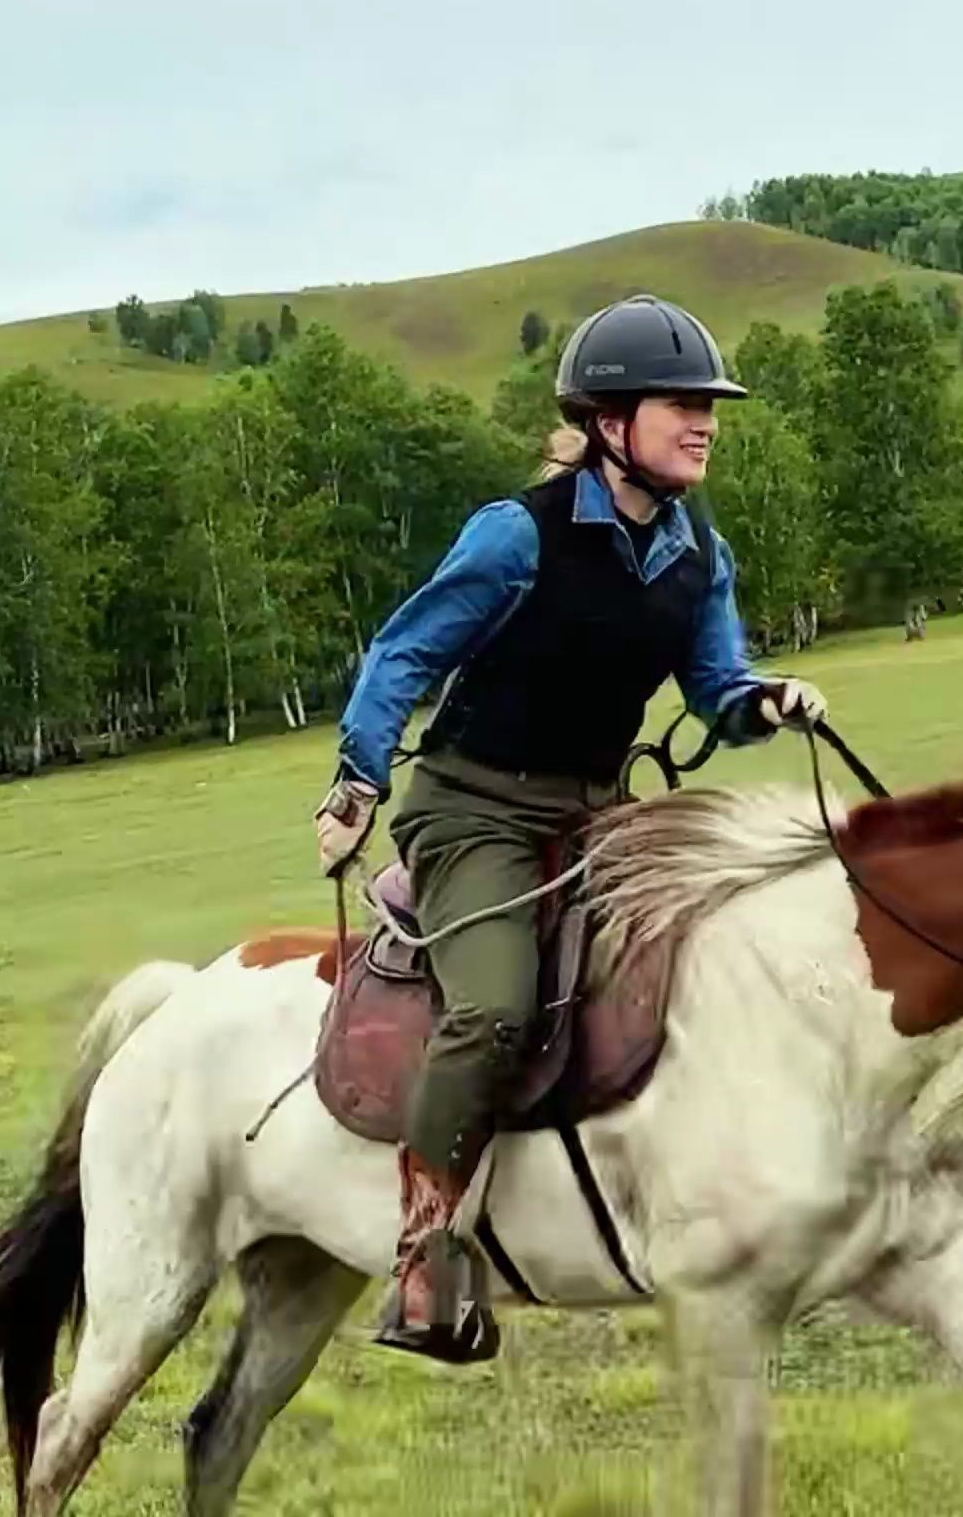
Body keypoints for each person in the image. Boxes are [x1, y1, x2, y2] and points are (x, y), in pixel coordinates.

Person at [315, 293, 826, 1363]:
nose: (706, 422)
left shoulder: (697, 555)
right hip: (475, 809)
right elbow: (401, 658)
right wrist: (358, 782)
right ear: (608, 422)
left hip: (601, 814)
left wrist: (764, 701)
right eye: (681, 403)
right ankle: (426, 1258)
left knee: (727, 938)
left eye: (711, 406)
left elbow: (717, 690)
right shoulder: (517, 537)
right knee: (497, 1012)